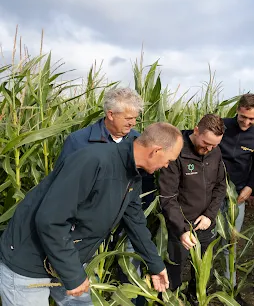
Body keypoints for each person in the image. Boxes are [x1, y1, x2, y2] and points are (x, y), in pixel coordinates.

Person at [0, 122, 184, 306]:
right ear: (156, 151)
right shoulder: (94, 162)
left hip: (67, 258)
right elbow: (50, 220)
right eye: (169, 160)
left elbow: (135, 221)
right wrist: (73, 274)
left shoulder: (132, 174)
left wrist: (155, 264)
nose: (167, 166)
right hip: (29, 264)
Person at [55, 87, 153, 306]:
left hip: (127, 219)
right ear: (110, 114)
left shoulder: (137, 141)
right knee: (89, 274)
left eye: (135, 119)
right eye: (128, 118)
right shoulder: (78, 141)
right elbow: (62, 184)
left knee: (130, 265)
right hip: (88, 226)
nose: (133, 124)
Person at [158, 114, 227, 304]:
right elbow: (168, 197)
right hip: (180, 226)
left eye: (214, 146)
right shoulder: (176, 151)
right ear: (196, 130)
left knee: (202, 270)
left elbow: (221, 186)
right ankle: (170, 299)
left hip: (204, 224)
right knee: (174, 271)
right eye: (206, 143)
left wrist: (209, 216)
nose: (209, 149)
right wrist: (181, 229)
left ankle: (194, 297)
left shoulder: (215, 151)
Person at [219, 93, 254, 306]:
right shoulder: (221, 126)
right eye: (243, 117)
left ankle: (230, 288)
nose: (246, 123)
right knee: (203, 242)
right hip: (210, 194)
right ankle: (196, 285)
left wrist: (250, 186)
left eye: (252, 119)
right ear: (238, 109)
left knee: (231, 243)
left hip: (236, 197)